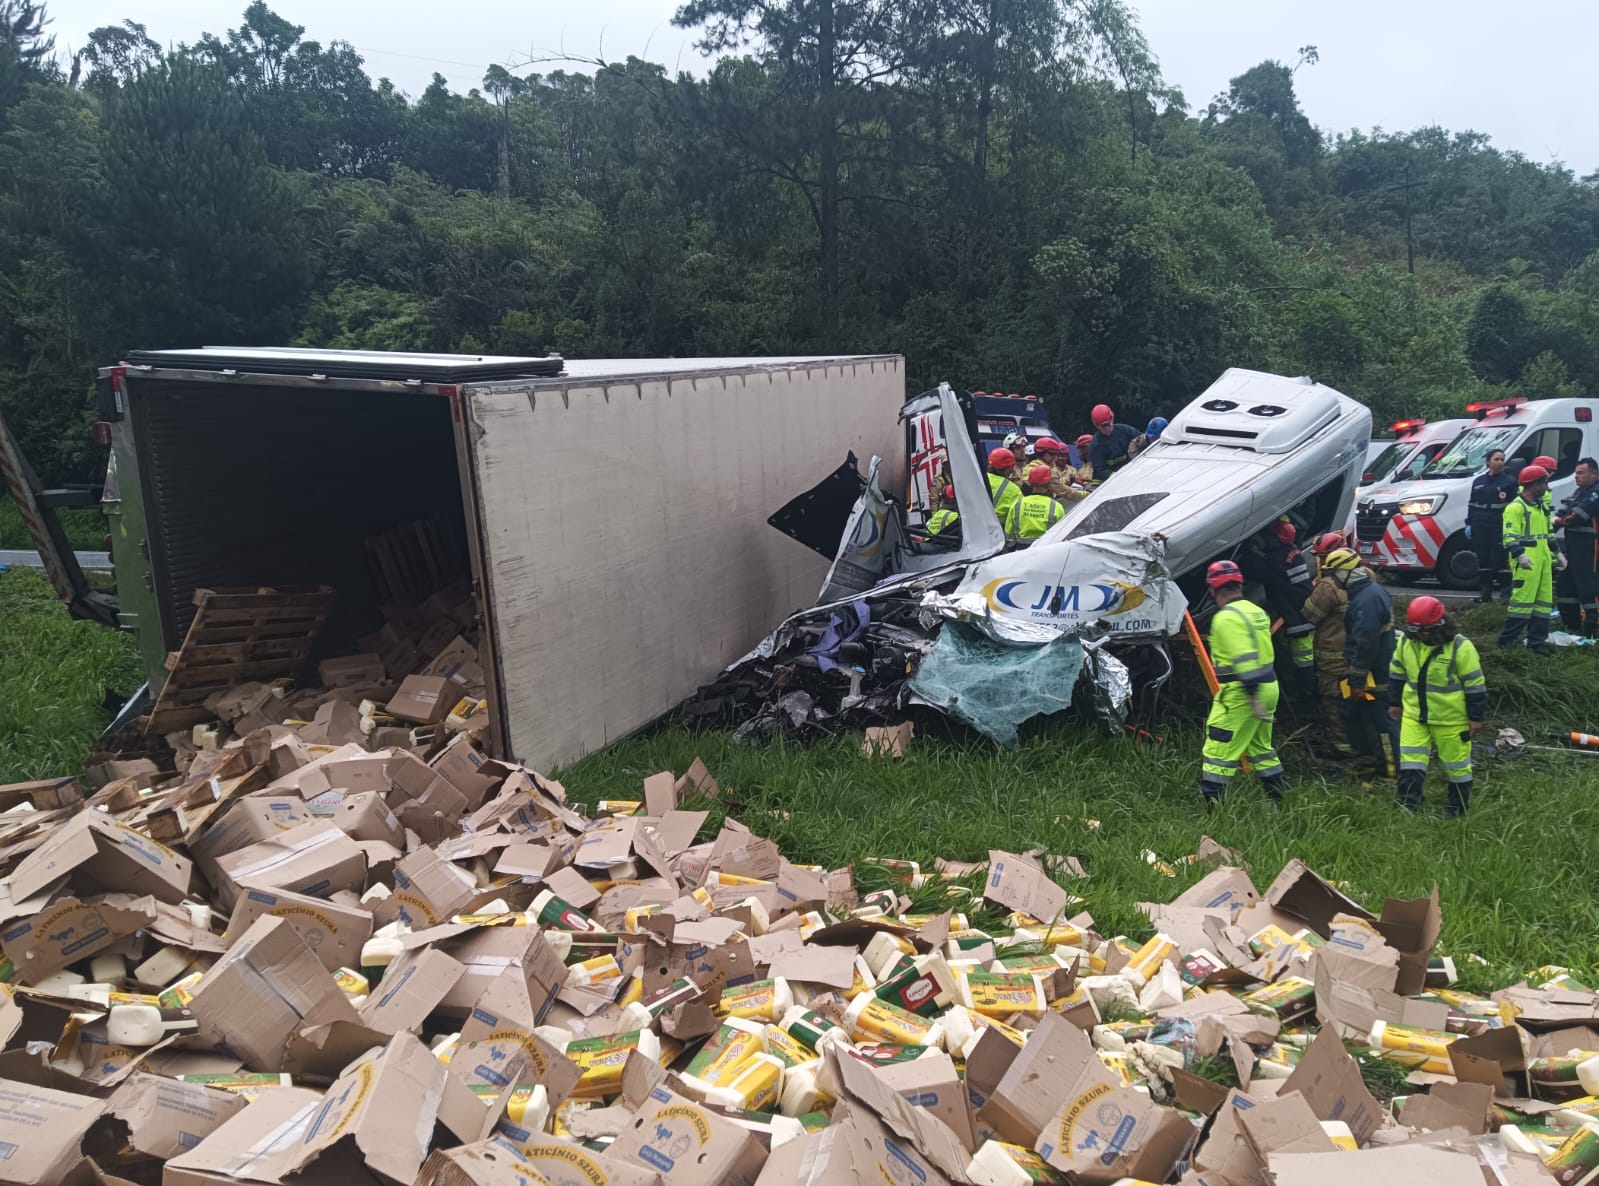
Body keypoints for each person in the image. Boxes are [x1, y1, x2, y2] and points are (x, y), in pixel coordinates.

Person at [1388, 596, 1486, 817]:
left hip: (1451, 720)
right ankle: (1408, 804)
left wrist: (1475, 717)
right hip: (1414, 715)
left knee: (1457, 766)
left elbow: (1475, 685)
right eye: (1415, 630)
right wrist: (1394, 703)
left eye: (1424, 631)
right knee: (1410, 761)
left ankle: (1456, 809)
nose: (1420, 636)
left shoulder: (1460, 647)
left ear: (1439, 626)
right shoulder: (1406, 642)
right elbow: (1397, 672)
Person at [1198, 560, 1285, 805]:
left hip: (1242, 692)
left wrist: (1252, 696)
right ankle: (1278, 801)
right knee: (1261, 748)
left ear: (1213, 589)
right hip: (1269, 685)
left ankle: (1213, 808)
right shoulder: (1255, 610)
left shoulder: (1225, 618)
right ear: (1239, 584)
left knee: (1217, 749)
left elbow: (1243, 658)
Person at [1324, 546, 1400, 784]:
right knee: (1353, 716)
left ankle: (1389, 774)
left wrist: (1356, 681)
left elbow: (1365, 643)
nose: (1333, 581)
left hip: (1374, 677)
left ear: (1344, 572)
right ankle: (1369, 766)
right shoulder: (1370, 593)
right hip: (1370, 673)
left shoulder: (1366, 600)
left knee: (1382, 725)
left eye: (1334, 575)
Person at [1239, 517, 1316, 697]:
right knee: (1310, 655)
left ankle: (1306, 693)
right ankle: (1310, 689)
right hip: (1309, 611)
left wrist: (1247, 551)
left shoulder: (1277, 561)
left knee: (1304, 658)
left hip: (1298, 618)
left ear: (1276, 539)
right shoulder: (1294, 553)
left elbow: (1251, 569)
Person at [1302, 546, 1356, 756]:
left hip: (1332, 658)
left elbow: (1310, 614)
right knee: (1357, 698)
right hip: (1357, 655)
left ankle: (1343, 747)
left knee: (1334, 701)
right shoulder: (1365, 578)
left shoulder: (1327, 587)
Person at [1499, 465, 1555, 653]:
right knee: (1522, 602)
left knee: (1543, 602)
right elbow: (1509, 536)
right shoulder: (1516, 507)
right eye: (1544, 482)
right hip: (1527, 561)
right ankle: (1506, 642)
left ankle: (1536, 642)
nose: (1546, 487)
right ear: (1534, 484)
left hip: (1543, 560)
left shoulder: (1541, 507)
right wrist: (1519, 554)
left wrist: (1557, 553)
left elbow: (1548, 533)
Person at [1554, 457, 1599, 636]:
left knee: (1588, 587)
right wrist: (1555, 519)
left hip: (1590, 548)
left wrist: (1559, 521)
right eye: (1576, 473)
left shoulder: (1596, 493)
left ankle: (1592, 626)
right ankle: (1571, 625)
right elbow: (1566, 507)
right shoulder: (1579, 491)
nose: (1576, 477)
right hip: (1573, 547)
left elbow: (1580, 515)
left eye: (1581, 473)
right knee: (1565, 585)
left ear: (1594, 473)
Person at [1467, 449, 1517, 603]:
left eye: (1502, 459)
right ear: (1488, 461)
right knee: (1483, 559)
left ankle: (1505, 594)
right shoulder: (1478, 481)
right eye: (1497, 459)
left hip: (1498, 523)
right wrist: (1469, 523)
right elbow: (1472, 504)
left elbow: (1514, 505)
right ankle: (1485, 595)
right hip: (1479, 524)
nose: (1500, 462)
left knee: (1501, 560)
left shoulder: (1509, 481)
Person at [1008, 465, 1067, 542]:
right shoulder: (1056, 507)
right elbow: (1062, 534)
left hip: (1021, 547)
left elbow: (1009, 534)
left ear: (1030, 482)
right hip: (1047, 547)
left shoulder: (1017, 504)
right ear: (1049, 484)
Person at [1088, 404, 1140, 481]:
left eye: (1107, 424)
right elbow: (1100, 470)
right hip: (1110, 482)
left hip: (1132, 473)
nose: (1107, 428)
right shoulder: (1095, 445)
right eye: (1102, 426)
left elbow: (1141, 440)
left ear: (1112, 419)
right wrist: (1118, 477)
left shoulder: (1126, 431)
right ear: (1097, 426)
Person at [1034, 438, 1089, 503]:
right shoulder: (1046, 470)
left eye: (1063, 456)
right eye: (1058, 455)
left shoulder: (1072, 470)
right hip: (1051, 500)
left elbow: (1079, 485)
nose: (1060, 458)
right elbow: (1060, 489)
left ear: (1067, 456)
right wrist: (1085, 494)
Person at [986, 448, 1022, 525]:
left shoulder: (977, 479)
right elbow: (1019, 515)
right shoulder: (1013, 489)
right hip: (998, 530)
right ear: (1009, 468)